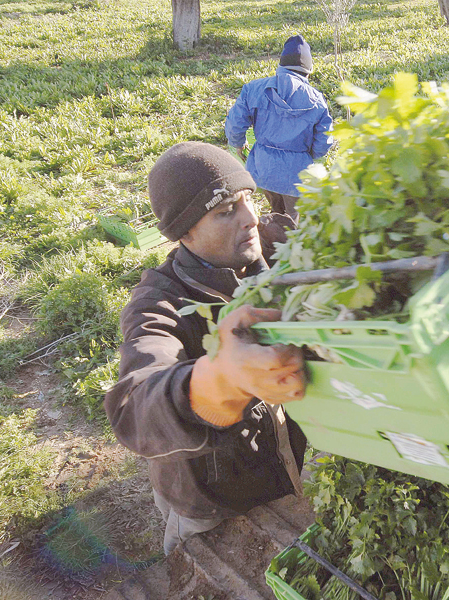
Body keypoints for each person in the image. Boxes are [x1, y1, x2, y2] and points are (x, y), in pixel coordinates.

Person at [104, 141, 308, 555]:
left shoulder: (277, 247)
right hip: (210, 502)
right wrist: (219, 383)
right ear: (184, 233)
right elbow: (134, 410)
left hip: (288, 467)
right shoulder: (158, 305)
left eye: (247, 199)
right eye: (225, 211)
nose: (250, 218)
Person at [225, 34, 333, 223]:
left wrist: (239, 145)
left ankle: (269, 241)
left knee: (275, 210)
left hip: (263, 168)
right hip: (297, 172)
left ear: (281, 65)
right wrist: (308, 156)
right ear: (308, 70)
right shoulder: (317, 99)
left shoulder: (253, 89)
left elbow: (235, 125)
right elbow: (325, 140)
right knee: (292, 223)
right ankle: (286, 247)